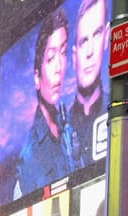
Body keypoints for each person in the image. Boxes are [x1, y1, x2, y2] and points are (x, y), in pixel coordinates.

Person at [13, 9, 79, 199]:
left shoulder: (67, 124)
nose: (59, 68)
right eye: (50, 58)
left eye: (63, 53)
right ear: (37, 76)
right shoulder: (29, 155)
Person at [68, 0, 110, 169]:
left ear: (106, 37)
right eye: (83, 41)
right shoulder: (61, 130)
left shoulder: (119, 114)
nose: (90, 51)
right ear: (74, 55)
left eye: (97, 34)